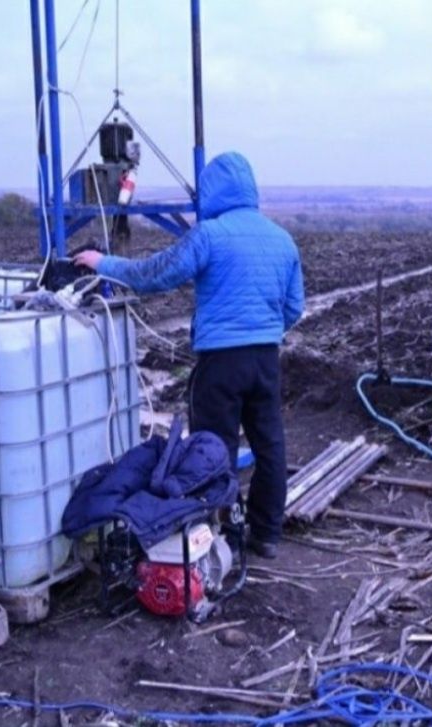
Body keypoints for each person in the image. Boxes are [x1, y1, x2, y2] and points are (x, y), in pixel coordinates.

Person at [74, 151, 304, 559]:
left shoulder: (210, 235)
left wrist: (102, 262)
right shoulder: (282, 240)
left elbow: (155, 273)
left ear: (213, 191)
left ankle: (222, 540)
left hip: (220, 365)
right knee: (270, 446)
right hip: (266, 361)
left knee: (214, 452)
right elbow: (293, 307)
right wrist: (262, 331)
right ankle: (266, 534)